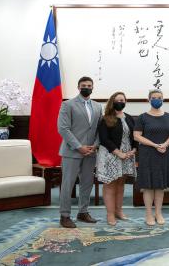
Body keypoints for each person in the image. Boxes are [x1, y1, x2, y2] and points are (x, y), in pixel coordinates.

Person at [57, 76, 102, 228]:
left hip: (90, 152)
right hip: (72, 151)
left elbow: (98, 129)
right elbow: (63, 128)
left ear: (92, 88)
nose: (86, 87)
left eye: (89, 85)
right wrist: (78, 146)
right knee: (67, 185)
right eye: (83, 85)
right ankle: (65, 215)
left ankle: (83, 212)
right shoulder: (67, 105)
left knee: (87, 183)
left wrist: (95, 146)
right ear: (78, 87)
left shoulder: (97, 106)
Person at [134, 89, 169, 226]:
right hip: (147, 154)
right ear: (149, 99)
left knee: (160, 186)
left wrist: (164, 144)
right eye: (154, 97)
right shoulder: (142, 117)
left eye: (159, 97)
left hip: (163, 153)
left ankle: (158, 213)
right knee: (148, 186)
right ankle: (148, 214)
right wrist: (154, 145)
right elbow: (137, 136)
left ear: (163, 99)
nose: (156, 99)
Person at [96, 92, 137, 226]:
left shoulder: (130, 118)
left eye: (123, 100)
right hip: (110, 155)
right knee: (110, 185)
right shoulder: (106, 118)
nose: (120, 102)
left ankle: (119, 211)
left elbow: (135, 137)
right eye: (118, 100)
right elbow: (104, 139)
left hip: (127, 156)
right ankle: (110, 214)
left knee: (121, 184)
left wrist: (134, 150)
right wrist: (118, 153)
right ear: (112, 102)